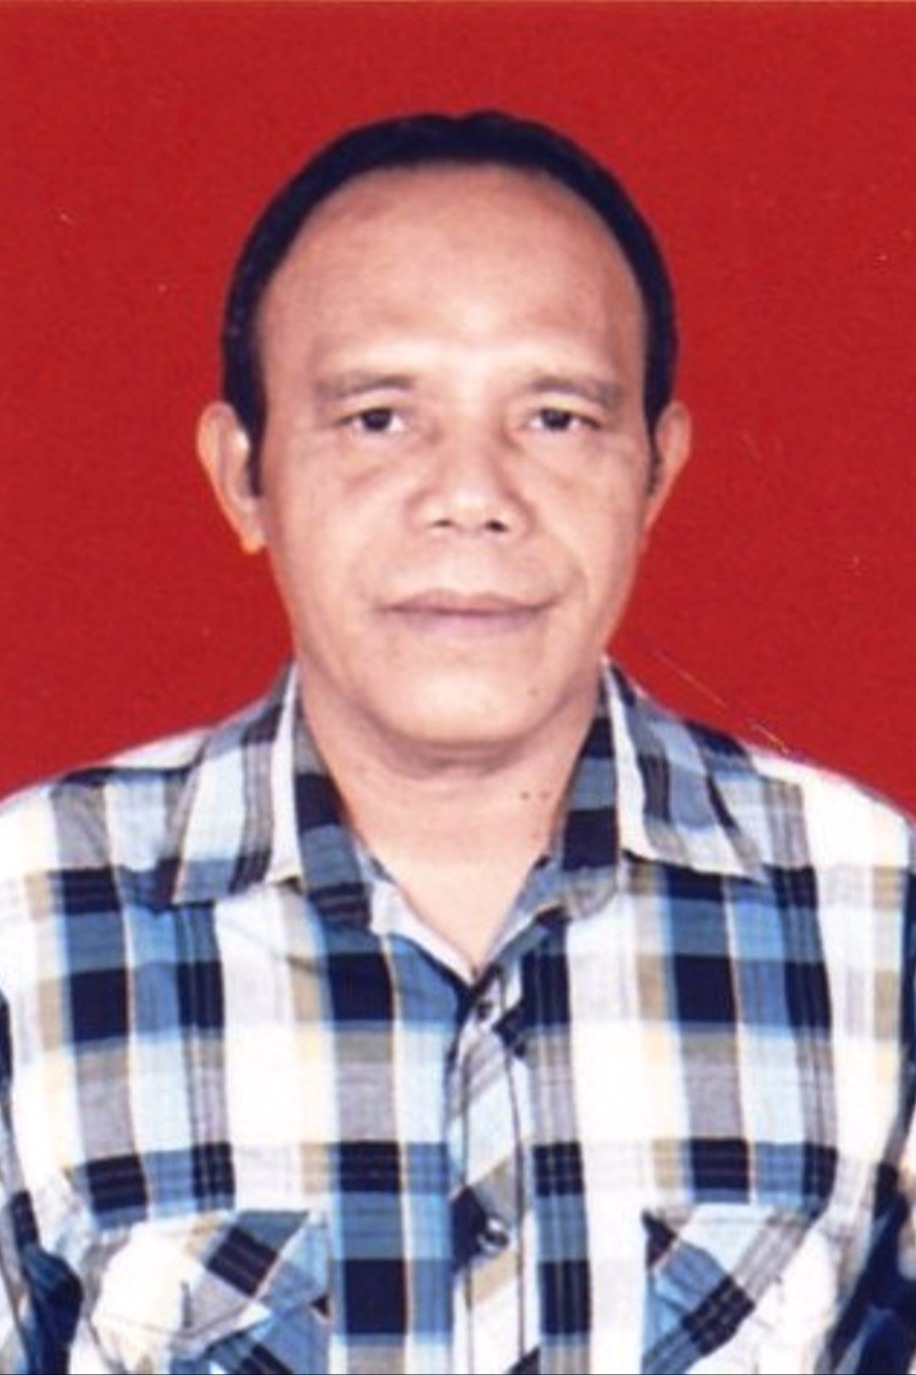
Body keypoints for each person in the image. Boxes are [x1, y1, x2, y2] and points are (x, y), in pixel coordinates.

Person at [0, 109, 912, 1375]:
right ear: (244, 475)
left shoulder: (875, 913)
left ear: (655, 472)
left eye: (557, 418)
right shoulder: (30, 917)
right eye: (379, 418)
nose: (472, 496)